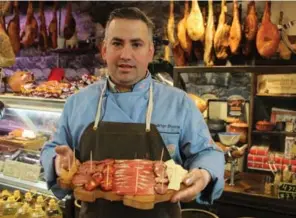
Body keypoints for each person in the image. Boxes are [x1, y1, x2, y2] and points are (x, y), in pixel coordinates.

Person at [40, 7, 225, 218]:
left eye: (136, 44)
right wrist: (57, 163)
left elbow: (208, 153)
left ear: (150, 52)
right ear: (104, 50)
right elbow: (53, 149)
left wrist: (204, 173)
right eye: (117, 43)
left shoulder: (179, 103)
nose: (125, 55)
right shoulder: (77, 103)